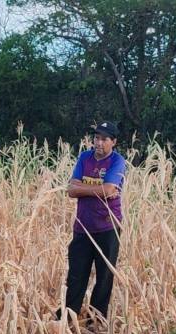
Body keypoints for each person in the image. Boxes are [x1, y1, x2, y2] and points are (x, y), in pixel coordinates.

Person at [59, 121, 126, 323]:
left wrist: (84, 189)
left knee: (105, 275)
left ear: (113, 142)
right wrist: (99, 191)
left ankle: (97, 319)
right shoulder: (84, 157)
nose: (98, 142)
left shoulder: (117, 161)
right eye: (96, 138)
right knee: (77, 273)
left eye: (104, 139)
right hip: (83, 226)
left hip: (108, 225)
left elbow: (109, 190)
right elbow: (71, 190)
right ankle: (69, 314)